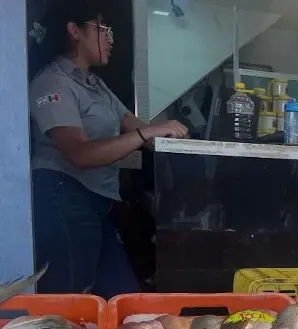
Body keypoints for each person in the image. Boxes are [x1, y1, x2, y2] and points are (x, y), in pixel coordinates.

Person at [29, 1, 188, 298]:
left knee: (122, 298)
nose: (110, 38)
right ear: (74, 31)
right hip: (64, 199)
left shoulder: (96, 85)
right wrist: (147, 132)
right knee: (71, 300)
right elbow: (80, 153)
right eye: (102, 30)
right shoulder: (52, 82)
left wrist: (179, 143)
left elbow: (131, 123)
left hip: (98, 204)